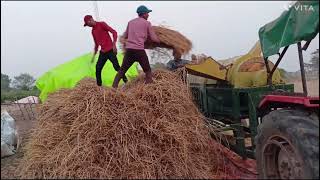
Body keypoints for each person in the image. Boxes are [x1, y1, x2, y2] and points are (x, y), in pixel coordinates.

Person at [112, 5, 160, 88]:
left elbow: (125, 36)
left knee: (122, 71)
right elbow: (154, 38)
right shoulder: (147, 23)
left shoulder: (130, 22)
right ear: (143, 14)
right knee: (148, 71)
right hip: (139, 51)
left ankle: (113, 88)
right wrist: (160, 41)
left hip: (129, 51)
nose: (148, 15)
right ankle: (150, 89)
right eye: (147, 13)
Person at [83, 15, 127, 86]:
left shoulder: (102, 24)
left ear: (90, 20)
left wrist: (114, 44)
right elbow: (96, 44)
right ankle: (99, 88)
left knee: (116, 67)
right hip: (103, 52)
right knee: (98, 69)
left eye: (87, 24)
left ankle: (126, 81)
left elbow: (114, 32)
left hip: (110, 50)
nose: (88, 26)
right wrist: (94, 56)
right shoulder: (93, 31)